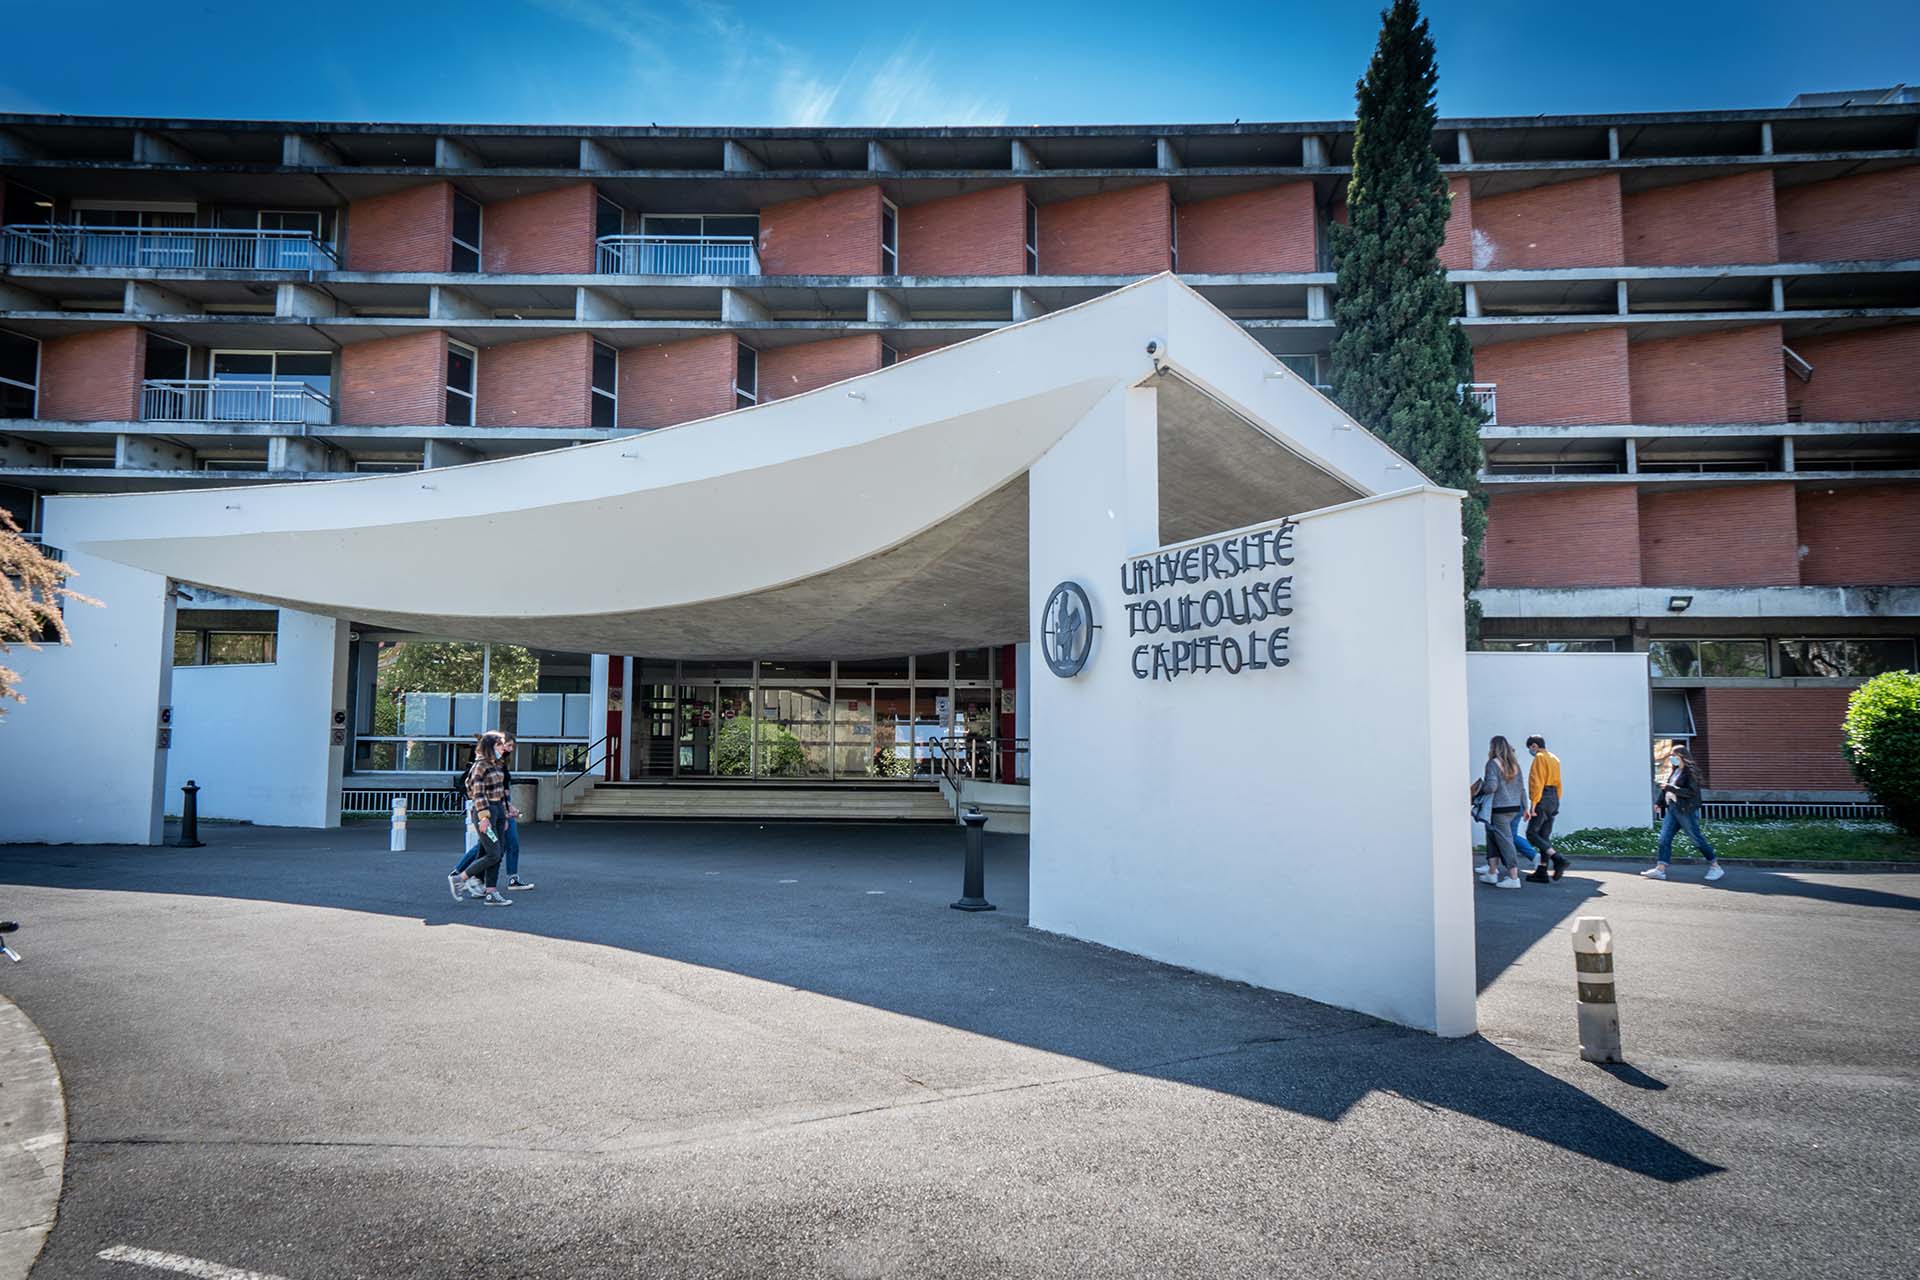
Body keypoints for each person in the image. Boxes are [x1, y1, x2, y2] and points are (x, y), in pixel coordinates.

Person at [448, 731, 513, 905]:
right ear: (490, 746)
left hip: (497, 810)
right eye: (499, 745)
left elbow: (501, 792)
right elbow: (478, 793)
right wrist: (484, 817)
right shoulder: (480, 766)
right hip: (486, 812)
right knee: (494, 853)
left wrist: (505, 814)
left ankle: (491, 891)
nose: (503, 748)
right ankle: (461, 878)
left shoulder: (496, 764)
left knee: (495, 852)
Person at [1644, 744, 1723, 881]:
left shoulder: (1690, 773)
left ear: (1682, 757)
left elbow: (1691, 792)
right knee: (1664, 838)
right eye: (1671, 756)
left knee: (1696, 838)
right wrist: (1659, 802)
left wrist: (1671, 788)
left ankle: (1715, 867)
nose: (1672, 758)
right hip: (1672, 809)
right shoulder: (1675, 771)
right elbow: (1667, 790)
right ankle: (1660, 869)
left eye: (1674, 756)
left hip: (1685, 810)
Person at [1472, 735, 1527, 889]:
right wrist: (1526, 807)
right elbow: (1522, 788)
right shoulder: (1515, 765)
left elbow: (1492, 787)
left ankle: (1513, 877)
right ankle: (1492, 871)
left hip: (1498, 808)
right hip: (1514, 807)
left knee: (1505, 840)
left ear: (1493, 747)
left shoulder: (1492, 764)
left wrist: (1478, 790)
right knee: (1492, 837)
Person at [1524, 734, 1569, 883]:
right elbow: (1559, 783)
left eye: (1530, 747)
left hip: (1542, 797)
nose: (1531, 751)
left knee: (1531, 833)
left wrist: (1533, 805)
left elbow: (1537, 782)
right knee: (1544, 835)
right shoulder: (1555, 758)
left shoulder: (1539, 758)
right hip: (1554, 797)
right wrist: (1556, 801)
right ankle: (1542, 871)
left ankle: (1558, 858)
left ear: (1534, 746)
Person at [499, 734, 534, 893]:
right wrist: (507, 807)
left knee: (511, 843)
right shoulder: (493, 763)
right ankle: (462, 873)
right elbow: (497, 789)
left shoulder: (503, 763)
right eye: (509, 745)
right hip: (498, 806)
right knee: (489, 847)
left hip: (504, 804)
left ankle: (513, 877)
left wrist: (510, 806)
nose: (511, 749)